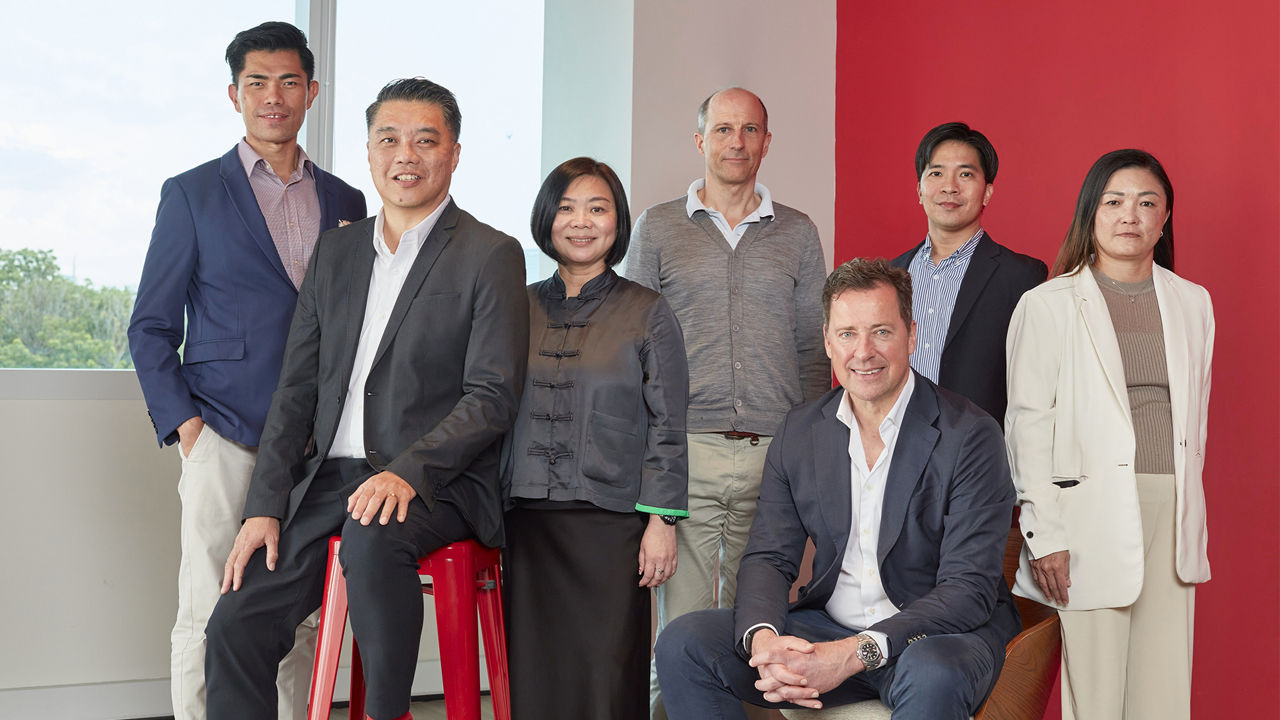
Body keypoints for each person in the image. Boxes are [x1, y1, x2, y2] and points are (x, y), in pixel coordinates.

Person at [202, 77, 528, 720]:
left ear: (454, 153)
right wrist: (263, 506)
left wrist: (407, 471)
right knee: (235, 622)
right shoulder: (337, 252)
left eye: (424, 140)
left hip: (437, 480)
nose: (405, 155)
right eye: (389, 139)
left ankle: (387, 713)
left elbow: (492, 396)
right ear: (370, 151)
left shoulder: (490, 253)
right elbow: (295, 390)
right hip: (329, 479)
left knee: (374, 538)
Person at [656, 258, 1020, 719]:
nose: (863, 352)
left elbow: (968, 589)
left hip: (935, 637)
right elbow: (770, 555)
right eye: (848, 334)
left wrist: (850, 655)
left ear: (911, 334)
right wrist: (765, 641)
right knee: (684, 642)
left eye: (881, 332)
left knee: (934, 672)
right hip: (827, 626)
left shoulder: (971, 434)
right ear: (828, 340)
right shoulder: (801, 431)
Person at [126, 21, 365, 720]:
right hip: (225, 434)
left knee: (299, 618)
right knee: (207, 607)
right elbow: (150, 326)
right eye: (257, 82)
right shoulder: (192, 195)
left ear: (312, 92)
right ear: (234, 95)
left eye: (289, 81)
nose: (273, 96)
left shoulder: (347, 202)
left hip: (314, 449)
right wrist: (188, 428)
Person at [624, 87, 828, 717]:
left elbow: (813, 352)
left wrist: (811, 458)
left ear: (767, 142)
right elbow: (633, 344)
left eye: (750, 130)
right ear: (700, 141)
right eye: (723, 129)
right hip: (688, 452)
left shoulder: (798, 233)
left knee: (764, 626)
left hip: (775, 456)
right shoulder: (658, 227)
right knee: (681, 626)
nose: (736, 142)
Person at [1005, 149, 1214, 720]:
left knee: (1166, 694)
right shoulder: (1047, 305)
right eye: (1114, 201)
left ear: (1164, 218)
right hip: (1084, 517)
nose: (1130, 215)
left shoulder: (1193, 303)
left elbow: (1193, 421)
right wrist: (1042, 531)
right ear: (1090, 214)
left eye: (1147, 203)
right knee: (1096, 696)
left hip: (1170, 513)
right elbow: (1027, 424)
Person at [502, 157, 689, 719]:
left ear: (617, 222)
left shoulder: (648, 312)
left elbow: (668, 424)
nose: (581, 221)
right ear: (546, 219)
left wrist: (662, 521)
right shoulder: (515, 305)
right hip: (528, 523)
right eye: (566, 208)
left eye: (597, 208)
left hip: (614, 526)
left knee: (609, 674)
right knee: (536, 676)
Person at [890, 122, 1046, 422]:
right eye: (936, 173)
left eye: (965, 174)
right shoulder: (890, 274)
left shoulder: (1022, 277)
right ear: (920, 190)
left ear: (987, 192)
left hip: (978, 450)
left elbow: (1036, 385)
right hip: (895, 445)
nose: (950, 186)